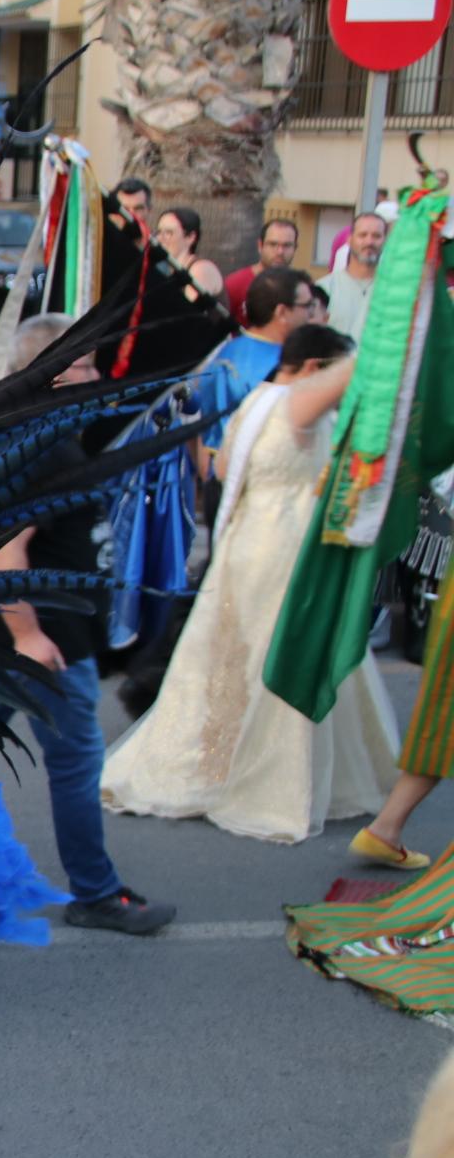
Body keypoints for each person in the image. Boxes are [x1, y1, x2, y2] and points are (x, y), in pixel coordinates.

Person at [103, 326, 399, 842]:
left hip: (248, 545)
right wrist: (401, 318)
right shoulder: (296, 403)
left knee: (232, 663)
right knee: (281, 660)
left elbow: (218, 467)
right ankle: (263, 777)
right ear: (315, 370)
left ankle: (218, 763)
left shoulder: (256, 401)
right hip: (281, 553)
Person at [0, 313, 176, 934]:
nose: (98, 376)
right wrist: (27, 636)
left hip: (35, 640)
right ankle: (95, 893)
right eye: (86, 366)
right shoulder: (44, 447)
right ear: (50, 376)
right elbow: (3, 552)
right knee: (73, 763)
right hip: (46, 645)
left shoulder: (46, 438)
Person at [191, 266, 315, 527]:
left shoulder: (224, 352)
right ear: (282, 312)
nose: (311, 314)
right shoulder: (288, 365)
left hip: (217, 481)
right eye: (306, 306)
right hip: (260, 490)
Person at [319, 210, 387, 342]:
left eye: (376, 236)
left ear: (385, 241)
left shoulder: (394, 291)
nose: (369, 242)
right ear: (349, 240)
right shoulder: (325, 288)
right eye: (362, 235)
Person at [224, 217, 299, 326]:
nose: (280, 252)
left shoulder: (301, 288)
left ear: (295, 248)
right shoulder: (235, 284)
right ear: (260, 245)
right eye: (273, 244)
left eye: (287, 245)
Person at [152, 207, 225, 299]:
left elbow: (187, 307)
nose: (160, 238)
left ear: (190, 237)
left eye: (169, 233)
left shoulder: (201, 269)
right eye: (159, 232)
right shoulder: (165, 269)